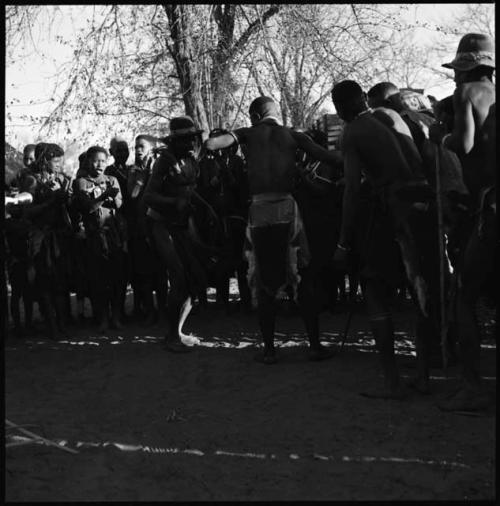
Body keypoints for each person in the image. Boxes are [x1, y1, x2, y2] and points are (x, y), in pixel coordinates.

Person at [204, 97, 343, 364]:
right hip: (287, 209)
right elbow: (329, 158)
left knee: (264, 278)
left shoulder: (248, 133)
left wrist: (226, 138)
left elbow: (212, 143)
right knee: (301, 274)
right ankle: (314, 346)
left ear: (255, 115)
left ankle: (269, 350)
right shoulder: (293, 135)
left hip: (260, 211)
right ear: (275, 114)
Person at [331, 80, 434, 398]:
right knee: (420, 291)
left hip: (390, 212)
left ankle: (393, 384)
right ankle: (423, 376)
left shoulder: (353, 133)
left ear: (339, 109)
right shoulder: (393, 116)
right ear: (363, 98)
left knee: (374, 288)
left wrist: (343, 242)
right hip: (421, 208)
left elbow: (350, 191)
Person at [429, 33, 496, 411]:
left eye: (458, 70)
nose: (455, 77)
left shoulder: (467, 93)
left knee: (465, 298)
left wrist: (442, 138)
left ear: (468, 68)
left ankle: (472, 387)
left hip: (489, 208)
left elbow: (466, 143)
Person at [143, 116, 207, 352]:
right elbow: (148, 196)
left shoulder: (190, 160)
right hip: (162, 225)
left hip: (183, 225)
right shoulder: (164, 161)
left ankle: (178, 331)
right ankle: (171, 337)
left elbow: (191, 190)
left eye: (192, 138)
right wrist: (174, 202)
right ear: (174, 141)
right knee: (179, 277)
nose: (190, 143)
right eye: (185, 139)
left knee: (194, 279)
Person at [19, 143, 72, 339]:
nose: (59, 164)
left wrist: (64, 196)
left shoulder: (60, 179)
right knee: (45, 284)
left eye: (61, 160)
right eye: (55, 161)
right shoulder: (31, 180)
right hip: (41, 238)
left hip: (58, 237)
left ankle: (61, 322)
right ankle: (51, 325)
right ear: (44, 161)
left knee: (59, 282)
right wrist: (51, 200)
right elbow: (27, 212)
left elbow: (67, 207)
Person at [73, 146, 125, 333]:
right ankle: (102, 318)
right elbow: (88, 208)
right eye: (95, 160)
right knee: (97, 280)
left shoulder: (112, 180)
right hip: (93, 238)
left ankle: (117, 317)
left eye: (103, 161)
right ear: (88, 162)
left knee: (117, 279)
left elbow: (119, 203)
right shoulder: (81, 182)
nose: (99, 164)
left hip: (113, 237)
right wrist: (104, 196)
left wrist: (111, 196)